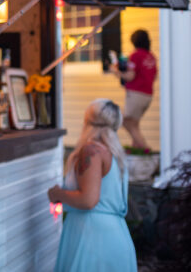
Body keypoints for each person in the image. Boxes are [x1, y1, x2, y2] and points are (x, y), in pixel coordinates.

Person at [47, 99, 137, 272]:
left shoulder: (92, 151)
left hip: (93, 238)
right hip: (114, 233)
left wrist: (58, 194)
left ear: (88, 121)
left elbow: (88, 200)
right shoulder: (114, 153)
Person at [110, 29, 157, 151]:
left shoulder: (136, 55)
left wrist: (116, 71)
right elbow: (154, 76)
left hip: (136, 94)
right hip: (148, 95)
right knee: (134, 124)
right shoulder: (151, 56)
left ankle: (145, 150)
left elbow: (130, 76)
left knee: (127, 122)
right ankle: (136, 149)